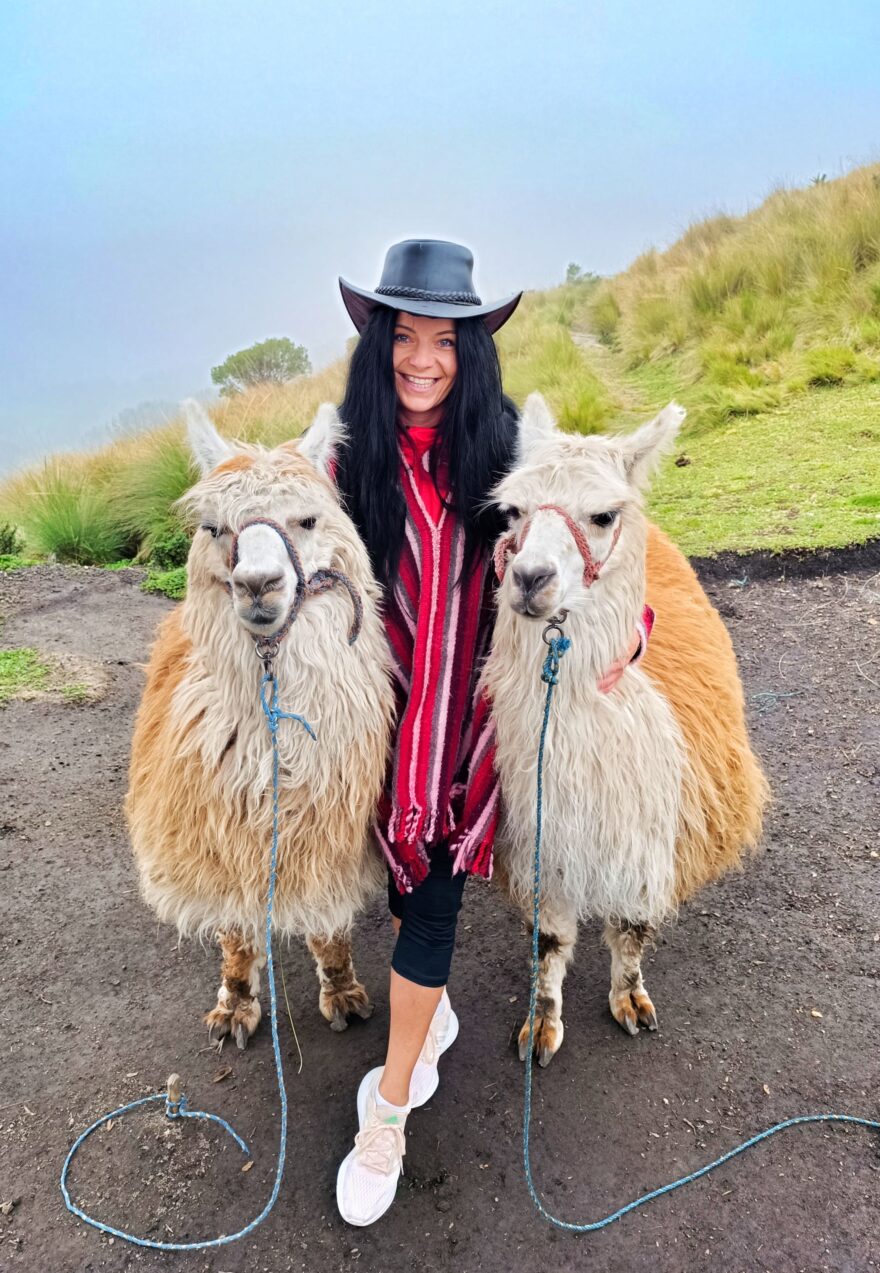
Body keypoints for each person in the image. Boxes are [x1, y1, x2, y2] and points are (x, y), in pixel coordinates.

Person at [331, 240, 647, 1226]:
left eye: (443, 341)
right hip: (375, 720)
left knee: (429, 906)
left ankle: (385, 1116)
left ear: (472, 351)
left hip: (465, 730)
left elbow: (607, 544)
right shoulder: (348, 457)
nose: (422, 359)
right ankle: (428, 1020)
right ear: (378, 343)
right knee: (396, 884)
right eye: (404, 337)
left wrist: (627, 639)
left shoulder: (509, 454)